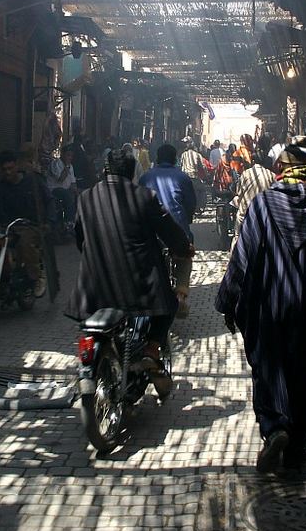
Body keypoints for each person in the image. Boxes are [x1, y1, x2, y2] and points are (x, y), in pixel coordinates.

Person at [215, 135, 306, 473]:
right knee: (302, 378)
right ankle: (296, 449)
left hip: (268, 307)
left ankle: (274, 428)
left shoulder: (263, 206)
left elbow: (242, 260)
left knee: (268, 371)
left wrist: (227, 301)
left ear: (281, 168)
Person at [65, 148, 194, 399]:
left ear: (105, 170)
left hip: (94, 284)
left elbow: (79, 238)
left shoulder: (86, 197)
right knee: (169, 305)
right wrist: (183, 247)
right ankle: (152, 349)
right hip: (139, 283)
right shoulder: (144, 197)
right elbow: (169, 230)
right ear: (132, 171)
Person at [0, 149, 57, 298]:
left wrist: (49, 222)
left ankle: (37, 277)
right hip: (8, 227)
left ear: (17, 166)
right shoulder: (0, 186)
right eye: (4, 169)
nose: (7, 172)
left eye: (10, 168)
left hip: (31, 226)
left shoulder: (33, 181)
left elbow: (49, 200)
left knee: (24, 244)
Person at [140, 143, 197, 318]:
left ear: (157, 158)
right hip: (177, 232)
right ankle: (180, 295)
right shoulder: (183, 178)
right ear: (174, 159)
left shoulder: (145, 177)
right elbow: (190, 205)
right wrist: (186, 220)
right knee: (186, 255)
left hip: (152, 233)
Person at [229, 153, 275, 251]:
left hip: (245, 213)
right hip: (264, 214)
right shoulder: (271, 175)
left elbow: (239, 193)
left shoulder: (246, 173)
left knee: (238, 236)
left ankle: (234, 260)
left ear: (253, 161)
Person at [47, 145, 78, 233]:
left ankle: (73, 222)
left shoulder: (70, 166)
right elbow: (60, 178)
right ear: (63, 154)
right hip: (54, 189)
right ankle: (68, 223)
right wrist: (66, 168)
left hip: (66, 190)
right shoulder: (55, 164)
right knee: (66, 195)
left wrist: (76, 192)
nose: (70, 158)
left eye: (71, 156)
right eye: (68, 155)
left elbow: (73, 182)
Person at [179, 136, 207, 214]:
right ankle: (199, 208)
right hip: (193, 177)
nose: (185, 145)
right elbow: (203, 167)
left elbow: (180, 166)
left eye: (186, 143)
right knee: (202, 191)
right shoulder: (197, 155)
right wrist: (206, 176)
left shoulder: (183, 155)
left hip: (185, 177)